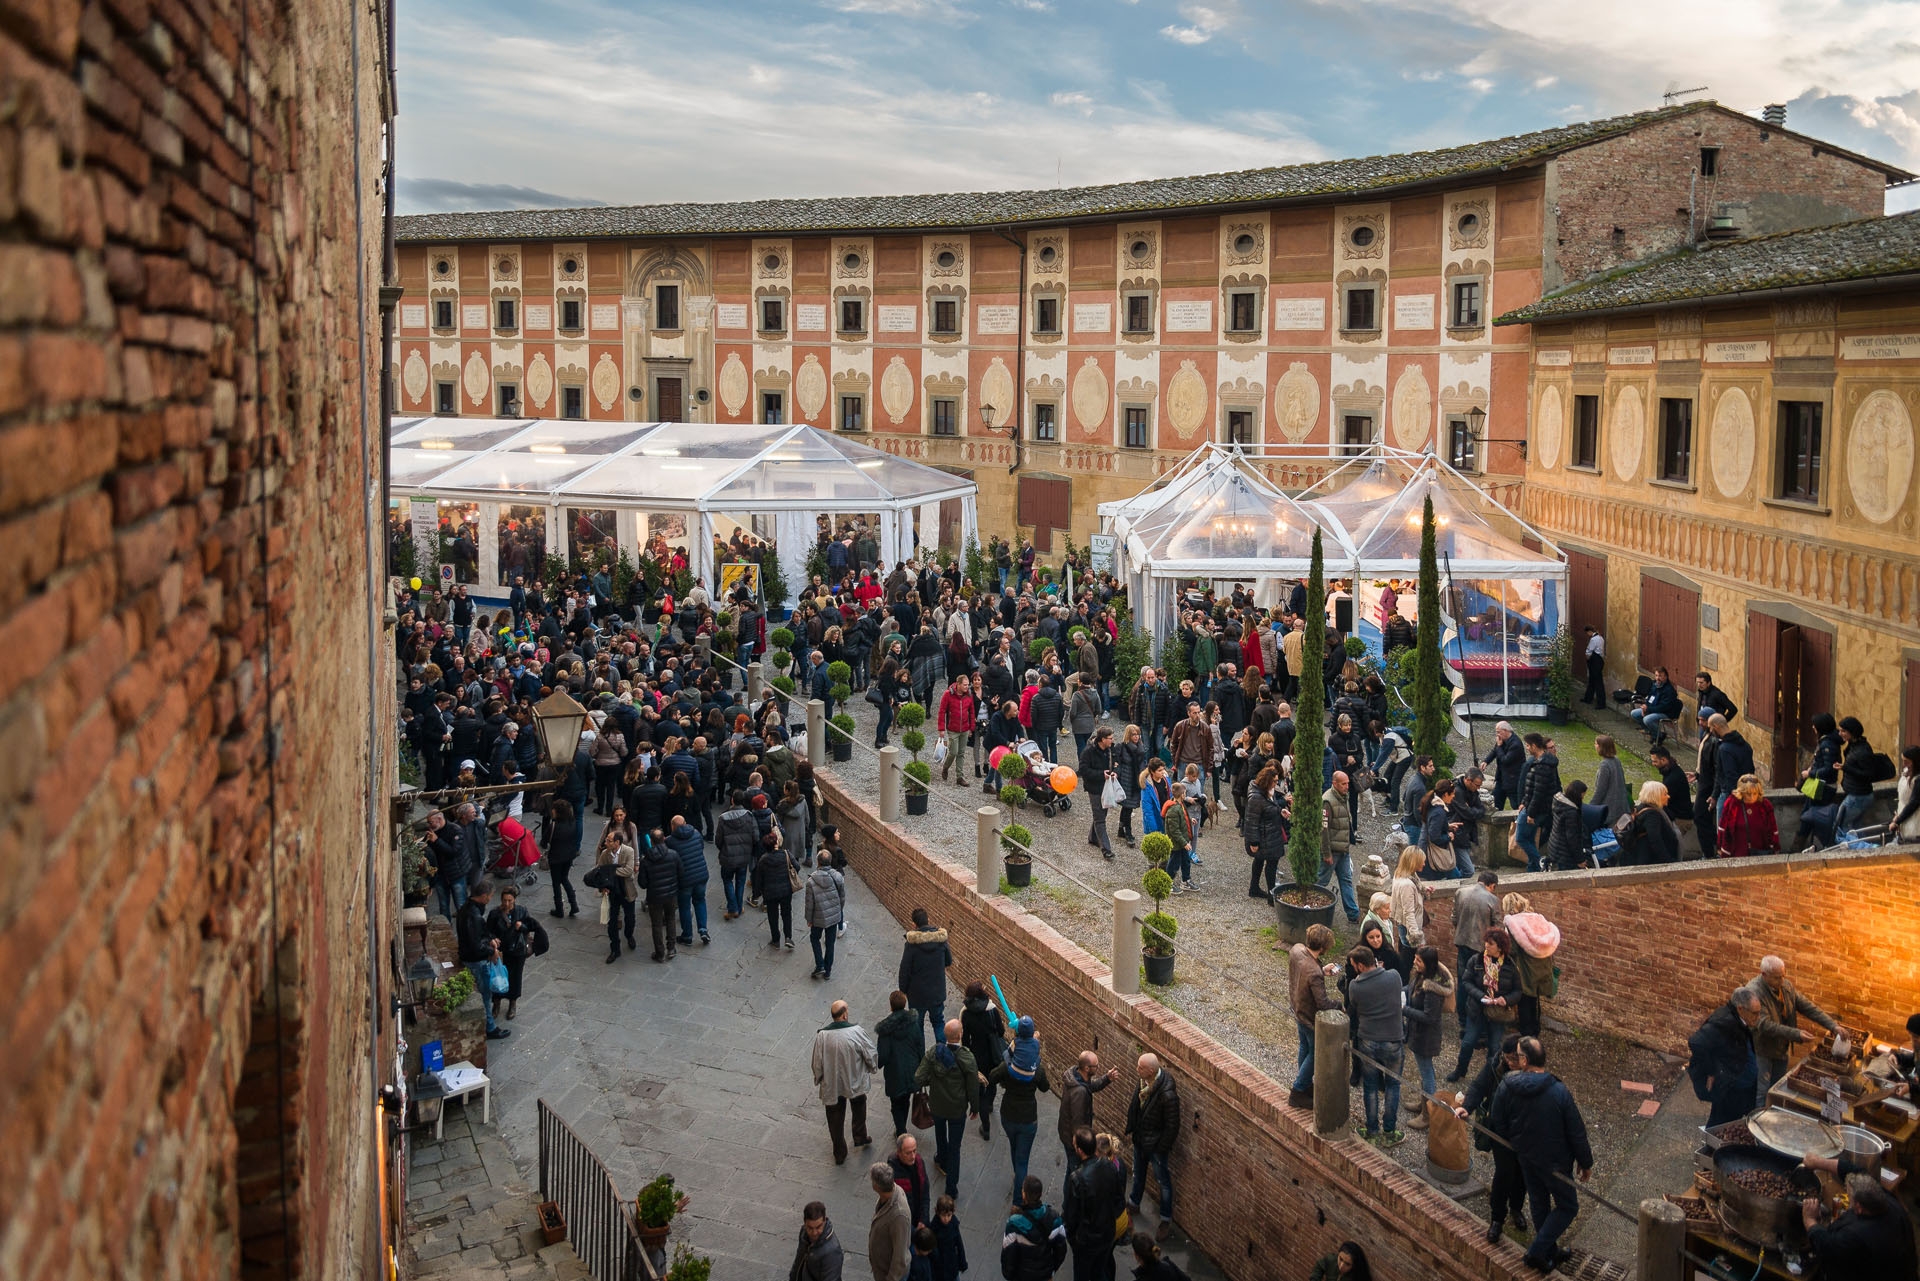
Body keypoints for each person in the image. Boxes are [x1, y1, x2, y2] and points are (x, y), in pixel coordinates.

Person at [1493, 1037, 1593, 1274]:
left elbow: (1498, 1120)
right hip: (1555, 1162)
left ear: (1525, 1060)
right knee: (1568, 1206)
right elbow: (1576, 1130)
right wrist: (1585, 1162)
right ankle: (1539, 1250)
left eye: (1517, 1054)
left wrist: (1515, 1142)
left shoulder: (1507, 1086)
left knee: (1540, 1203)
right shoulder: (1558, 1091)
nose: (1515, 1058)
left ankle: (1548, 1249)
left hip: (1527, 1157)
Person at [1455, 1034, 1528, 1243]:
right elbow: (1479, 1087)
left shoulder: (1531, 1070)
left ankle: (1516, 1209)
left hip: (1523, 1134)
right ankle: (1497, 1218)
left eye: (1514, 1059)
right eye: (1507, 1058)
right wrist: (1466, 1107)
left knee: (1521, 1175)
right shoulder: (1496, 1064)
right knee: (1504, 1174)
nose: (1510, 1063)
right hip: (1501, 1131)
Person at [1798, 1161, 1918, 1279]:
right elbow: (1859, 1172)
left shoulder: (1855, 1235)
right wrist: (1818, 1162)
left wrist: (1810, 1220)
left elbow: (1827, 1248)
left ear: (1859, 1207)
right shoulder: (1888, 1201)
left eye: (1849, 1196)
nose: (1847, 1195)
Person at [1742, 955, 1839, 1097]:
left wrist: (1833, 1026)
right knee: (1763, 1090)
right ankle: (1758, 1116)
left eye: (1783, 976)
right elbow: (1765, 1025)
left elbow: (1807, 1006)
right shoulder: (1753, 992)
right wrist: (1796, 1034)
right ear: (1764, 975)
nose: (1782, 981)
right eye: (1777, 977)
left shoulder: (1785, 986)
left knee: (1778, 1087)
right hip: (1763, 1049)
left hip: (1782, 1047)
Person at [1343, 944, 1406, 1147]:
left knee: (1370, 1086)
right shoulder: (1394, 976)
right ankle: (1389, 1131)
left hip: (1368, 1040)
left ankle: (1372, 1130)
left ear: (1360, 966)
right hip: (1394, 1039)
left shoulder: (1355, 986)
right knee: (1393, 1085)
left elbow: (1354, 1006)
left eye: (1354, 965)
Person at [914, 1019, 980, 1198]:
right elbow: (973, 1086)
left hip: (937, 1105)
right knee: (955, 1147)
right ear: (960, 1035)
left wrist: (932, 1081)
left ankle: (941, 1159)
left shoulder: (934, 1053)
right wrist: (975, 1107)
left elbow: (919, 1077)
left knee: (940, 1133)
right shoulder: (967, 1057)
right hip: (957, 1108)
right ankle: (951, 1188)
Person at [989, 1017, 1052, 1203]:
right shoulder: (1036, 1070)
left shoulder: (1008, 1066)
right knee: (1023, 1159)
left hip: (1008, 1114)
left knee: (1014, 1147)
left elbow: (992, 1076)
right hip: (1028, 1119)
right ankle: (1018, 1200)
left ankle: (1018, 1178)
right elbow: (1045, 1087)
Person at [813, 999, 880, 1165]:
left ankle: (839, 1152)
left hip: (832, 1084)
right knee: (859, 1106)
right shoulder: (856, 1032)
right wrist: (872, 1067)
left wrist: (819, 1077)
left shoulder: (822, 1036)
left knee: (834, 1117)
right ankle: (860, 1136)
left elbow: (817, 1062)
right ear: (844, 1014)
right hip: (854, 1080)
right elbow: (870, 1053)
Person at [1452, 926, 1520, 1082]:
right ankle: (1460, 1071)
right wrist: (1481, 996)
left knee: (1495, 1048)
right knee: (1468, 1042)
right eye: (1486, 943)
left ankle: (1489, 1079)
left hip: (1498, 1014)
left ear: (1500, 947)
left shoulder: (1510, 966)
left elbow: (1517, 991)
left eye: (1490, 944)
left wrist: (1506, 1000)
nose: (1486, 946)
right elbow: (1467, 981)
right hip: (1477, 1009)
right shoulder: (1476, 960)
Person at [1124, 1054, 1180, 1242]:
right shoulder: (1144, 1082)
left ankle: (1165, 1219)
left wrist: (1160, 1148)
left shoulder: (1167, 1094)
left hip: (1155, 1146)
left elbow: (1172, 1126)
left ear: (1150, 1071)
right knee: (1138, 1173)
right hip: (1141, 1139)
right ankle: (1134, 1203)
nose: (1136, 1069)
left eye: (1140, 1067)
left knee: (1163, 1181)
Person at [1688, 987, 1762, 1128]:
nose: (1758, 1017)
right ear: (1741, 1009)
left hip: (1742, 1085)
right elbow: (1696, 1043)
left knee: (1734, 1120)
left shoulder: (1740, 1019)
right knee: (1721, 1123)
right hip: (1729, 1087)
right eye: (1755, 1013)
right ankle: (1712, 1148)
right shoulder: (1724, 1022)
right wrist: (1711, 1071)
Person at [1287, 922, 1339, 1110]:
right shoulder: (1314, 973)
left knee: (1305, 1047)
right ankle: (1298, 1091)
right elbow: (1323, 1003)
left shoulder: (1297, 950)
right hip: (1309, 1017)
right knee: (1315, 1053)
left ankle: (1305, 1084)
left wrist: (1322, 969)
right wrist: (1340, 1005)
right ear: (1324, 947)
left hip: (1297, 1008)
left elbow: (1306, 972)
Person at [1401, 945, 1454, 1129]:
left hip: (1426, 1036)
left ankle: (1428, 1114)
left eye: (1419, 960)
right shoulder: (1422, 975)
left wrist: (1405, 1010)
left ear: (1428, 964)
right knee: (1425, 1071)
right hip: (1418, 1033)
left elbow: (1429, 1017)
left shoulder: (1432, 989)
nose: (1415, 962)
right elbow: (1411, 987)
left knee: (1427, 1073)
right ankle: (1423, 1102)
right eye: (1415, 958)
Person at [1063, 1127, 1124, 1281]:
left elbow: (1071, 1216)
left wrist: (1073, 1239)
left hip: (1086, 1241)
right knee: (1099, 1272)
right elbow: (1119, 1199)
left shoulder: (1076, 1178)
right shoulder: (1109, 1166)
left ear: (1080, 1150)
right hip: (1107, 1234)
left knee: (1082, 1275)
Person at [457, 878, 510, 1041]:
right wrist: (491, 951)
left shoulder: (468, 909)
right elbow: (475, 944)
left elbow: (481, 933)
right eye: (490, 895)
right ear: (484, 896)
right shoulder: (473, 915)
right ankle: (490, 1027)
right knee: (485, 994)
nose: (490, 898)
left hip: (470, 956)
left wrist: (490, 939)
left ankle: (488, 1024)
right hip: (476, 961)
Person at [484, 885, 546, 1023]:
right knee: (498, 976)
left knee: (515, 977)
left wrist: (521, 927)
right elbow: (487, 931)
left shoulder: (522, 911)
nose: (507, 903)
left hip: (517, 951)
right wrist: (493, 938)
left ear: (514, 900)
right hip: (501, 952)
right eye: (504, 900)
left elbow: (529, 927)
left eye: (510, 900)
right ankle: (497, 1002)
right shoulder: (495, 914)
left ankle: (512, 1002)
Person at [1058, 1052, 1118, 1181]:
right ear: (1087, 1068)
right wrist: (1082, 1147)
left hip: (1066, 1133)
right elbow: (1078, 1124)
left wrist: (1107, 1078)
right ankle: (1071, 1199)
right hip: (1074, 1142)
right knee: (1076, 1175)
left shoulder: (1076, 1076)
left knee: (1071, 1171)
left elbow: (1090, 1087)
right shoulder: (1079, 1092)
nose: (1098, 1067)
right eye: (1096, 1066)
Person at [961, 982, 1007, 1140]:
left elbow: (965, 1039)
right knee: (992, 1083)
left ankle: (985, 1128)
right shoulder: (992, 1010)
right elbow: (1001, 1032)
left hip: (977, 1056)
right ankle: (989, 1105)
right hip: (993, 1055)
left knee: (980, 1089)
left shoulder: (966, 1013)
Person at [876, 991, 926, 1137]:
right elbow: (920, 1046)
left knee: (896, 1103)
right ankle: (901, 1127)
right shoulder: (914, 1022)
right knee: (905, 1099)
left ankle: (901, 1130)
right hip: (912, 1069)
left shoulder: (885, 1029)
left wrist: (878, 1064)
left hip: (894, 1072)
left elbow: (883, 1055)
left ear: (891, 1006)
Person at [1001, 1176, 1068, 1281]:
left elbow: (1008, 1254)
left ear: (1024, 1194)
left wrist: (1009, 1275)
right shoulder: (1055, 1219)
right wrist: (1052, 1269)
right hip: (1045, 1275)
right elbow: (1061, 1249)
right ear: (1040, 1194)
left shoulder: (1014, 1224)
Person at [898, 909, 953, 1036]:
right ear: (928, 920)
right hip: (937, 992)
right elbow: (948, 961)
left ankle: (921, 1054)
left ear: (914, 924)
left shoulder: (911, 945)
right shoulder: (941, 941)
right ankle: (941, 1052)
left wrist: (903, 990)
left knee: (917, 1026)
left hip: (917, 995)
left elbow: (904, 970)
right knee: (939, 1022)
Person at [595, 827, 640, 964]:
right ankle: (615, 949)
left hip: (626, 889)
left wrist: (610, 872)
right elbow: (599, 871)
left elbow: (627, 871)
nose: (606, 843)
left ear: (617, 842)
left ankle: (629, 934)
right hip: (613, 891)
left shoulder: (629, 851)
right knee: (612, 921)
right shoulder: (605, 854)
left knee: (630, 916)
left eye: (609, 841)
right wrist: (603, 887)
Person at [1319, 771, 1359, 923]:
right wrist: (1326, 853)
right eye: (1344, 784)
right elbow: (1324, 830)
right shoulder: (1327, 801)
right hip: (1332, 851)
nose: (1347, 786)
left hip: (1343, 850)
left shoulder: (1343, 797)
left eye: (1348, 783)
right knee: (1321, 881)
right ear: (1335, 783)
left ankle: (1353, 914)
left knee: (1346, 880)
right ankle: (1313, 909)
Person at [1242, 764, 1286, 899]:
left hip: (1268, 834)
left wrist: (1280, 811)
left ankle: (1254, 888)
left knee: (1260, 860)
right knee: (1271, 864)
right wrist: (1254, 842)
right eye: (1274, 781)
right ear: (1267, 781)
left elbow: (1270, 808)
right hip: (1264, 837)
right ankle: (1272, 896)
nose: (1276, 783)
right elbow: (1251, 822)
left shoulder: (1265, 792)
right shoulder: (1256, 797)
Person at [666, 814, 711, 946]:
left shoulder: (670, 841)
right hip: (701, 874)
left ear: (672, 826)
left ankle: (687, 935)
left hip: (684, 879)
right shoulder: (696, 833)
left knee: (684, 906)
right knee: (700, 901)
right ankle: (703, 930)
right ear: (685, 823)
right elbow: (701, 848)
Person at [638, 828, 681, 962]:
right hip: (671, 894)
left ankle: (659, 953)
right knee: (670, 919)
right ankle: (671, 948)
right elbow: (681, 873)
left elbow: (642, 883)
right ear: (663, 839)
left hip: (654, 897)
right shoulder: (673, 855)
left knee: (656, 924)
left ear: (651, 841)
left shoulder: (646, 860)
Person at [716, 790, 758, 921]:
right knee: (740, 882)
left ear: (732, 800)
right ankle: (738, 908)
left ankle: (732, 908)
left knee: (727, 880)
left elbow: (718, 840)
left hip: (728, 856)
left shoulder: (723, 818)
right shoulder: (749, 816)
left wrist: (723, 849)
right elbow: (756, 837)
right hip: (744, 857)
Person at [753, 830, 798, 950]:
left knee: (772, 916)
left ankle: (776, 939)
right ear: (776, 843)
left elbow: (759, 879)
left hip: (770, 892)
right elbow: (797, 867)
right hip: (786, 891)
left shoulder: (763, 860)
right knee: (786, 913)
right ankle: (788, 937)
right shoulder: (786, 854)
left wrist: (756, 894)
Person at [805, 852, 848, 980]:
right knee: (830, 943)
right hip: (834, 917)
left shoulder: (811, 881)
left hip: (818, 917)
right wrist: (838, 911)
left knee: (814, 938)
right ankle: (827, 971)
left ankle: (820, 964)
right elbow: (842, 897)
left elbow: (809, 903)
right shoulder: (838, 877)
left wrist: (809, 919)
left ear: (818, 862)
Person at [1079, 725, 1119, 860]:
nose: (1113, 741)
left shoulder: (1111, 749)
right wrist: (1101, 775)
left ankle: (1092, 837)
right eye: (1110, 738)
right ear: (1102, 739)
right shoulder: (1088, 752)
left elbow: (1117, 764)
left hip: (1107, 787)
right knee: (1100, 819)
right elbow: (1083, 770)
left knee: (1100, 815)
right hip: (1094, 788)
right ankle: (1106, 850)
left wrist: (1115, 773)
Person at [1616, 782, 1681, 865]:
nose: (1668, 796)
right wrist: (1668, 860)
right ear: (1656, 796)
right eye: (1665, 794)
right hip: (1650, 860)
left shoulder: (1641, 808)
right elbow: (1655, 839)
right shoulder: (1651, 814)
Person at [1836, 716, 1880, 836]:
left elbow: (1868, 774)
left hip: (1858, 796)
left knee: (1843, 826)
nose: (1840, 734)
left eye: (1843, 731)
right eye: (1839, 730)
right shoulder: (1854, 744)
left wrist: (1845, 768)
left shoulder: (1862, 750)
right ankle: (1862, 850)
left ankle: (1852, 850)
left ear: (1852, 732)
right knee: (1856, 827)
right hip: (1856, 793)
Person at [869, 1162, 914, 1281]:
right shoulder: (891, 1192)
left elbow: (900, 1256)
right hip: (882, 1268)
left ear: (876, 1186)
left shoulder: (899, 1216)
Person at [1717, 774, 1779, 858]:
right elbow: (1723, 827)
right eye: (1748, 794)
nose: (1751, 797)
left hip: (1760, 852)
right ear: (1741, 792)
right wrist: (1720, 847)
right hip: (1736, 853)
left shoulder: (1765, 805)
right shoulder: (1732, 804)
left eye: (1754, 793)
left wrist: (1775, 847)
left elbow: (1773, 829)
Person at [544, 798, 581, 917]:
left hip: (555, 858)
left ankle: (559, 909)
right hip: (569, 856)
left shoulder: (553, 825)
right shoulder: (573, 822)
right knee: (564, 878)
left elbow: (545, 840)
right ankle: (573, 904)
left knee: (556, 883)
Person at [791, 1201, 846, 1281]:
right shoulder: (804, 1232)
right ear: (805, 1223)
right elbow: (798, 1260)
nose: (814, 1233)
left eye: (818, 1227)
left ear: (824, 1221)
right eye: (810, 1228)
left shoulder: (832, 1251)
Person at [890, 1132, 933, 1229]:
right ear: (899, 1152)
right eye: (908, 1153)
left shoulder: (919, 1162)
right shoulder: (892, 1171)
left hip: (919, 1217)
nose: (913, 1156)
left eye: (914, 1151)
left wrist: (924, 1219)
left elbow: (925, 1193)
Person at [1630, 666, 1683, 743]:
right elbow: (1649, 698)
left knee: (1647, 719)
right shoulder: (1654, 685)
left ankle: (1658, 736)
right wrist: (1645, 707)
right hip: (1653, 709)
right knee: (1634, 713)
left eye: (1660, 676)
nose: (1658, 678)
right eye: (1656, 675)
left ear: (1666, 677)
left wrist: (1648, 710)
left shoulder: (1669, 690)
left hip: (1665, 713)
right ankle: (1653, 733)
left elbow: (1663, 707)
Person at [1483, 722, 1523, 810]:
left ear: (1505, 731)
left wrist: (1499, 747)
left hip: (1513, 781)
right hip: (1501, 778)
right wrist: (1486, 761)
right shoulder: (1502, 740)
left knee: (1516, 805)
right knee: (1496, 803)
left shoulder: (1515, 744)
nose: (1497, 734)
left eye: (1498, 732)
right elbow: (1494, 750)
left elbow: (1505, 760)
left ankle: (1518, 821)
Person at [1589, 736, 1627, 828]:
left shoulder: (1604, 765)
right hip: (1620, 806)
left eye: (1596, 743)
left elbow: (1600, 790)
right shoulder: (1616, 760)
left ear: (1600, 747)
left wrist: (1590, 807)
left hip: (1610, 809)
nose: (1595, 745)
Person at [929, 1195, 967, 1281]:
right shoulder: (934, 1227)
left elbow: (959, 1243)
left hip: (952, 1262)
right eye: (943, 1215)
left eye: (949, 1215)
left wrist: (962, 1261)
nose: (946, 1218)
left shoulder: (953, 1224)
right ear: (938, 1213)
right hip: (939, 1266)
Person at [1306, 1243, 1373, 1281]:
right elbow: (1319, 1266)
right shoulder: (1332, 1260)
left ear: (1354, 1266)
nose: (1341, 1266)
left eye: (1347, 1264)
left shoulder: (1356, 1278)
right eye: (1340, 1259)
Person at [1579, 626, 1605, 707]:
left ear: (1589, 631)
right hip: (1599, 660)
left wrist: (1587, 659)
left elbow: (1589, 651)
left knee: (1597, 682)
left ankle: (1600, 703)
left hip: (1595, 661)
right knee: (1593, 681)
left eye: (1587, 633)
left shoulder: (1594, 639)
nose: (1588, 634)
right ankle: (1588, 698)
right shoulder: (1601, 638)